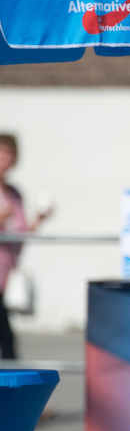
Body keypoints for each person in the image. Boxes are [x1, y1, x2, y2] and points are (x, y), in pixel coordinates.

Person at [0, 134, 51, 360]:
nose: (5, 158)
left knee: (7, 338)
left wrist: (39, 219)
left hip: (5, 272)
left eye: (9, 153)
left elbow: (21, 234)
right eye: (2, 152)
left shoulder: (14, 194)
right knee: (8, 340)